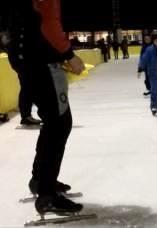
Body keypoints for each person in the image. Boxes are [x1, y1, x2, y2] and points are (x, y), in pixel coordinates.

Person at [8, 0, 85, 215]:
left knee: (55, 121)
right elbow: (49, 23)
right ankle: (47, 193)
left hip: (27, 56)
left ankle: (41, 180)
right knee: (59, 123)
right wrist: (69, 54)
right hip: (37, 58)